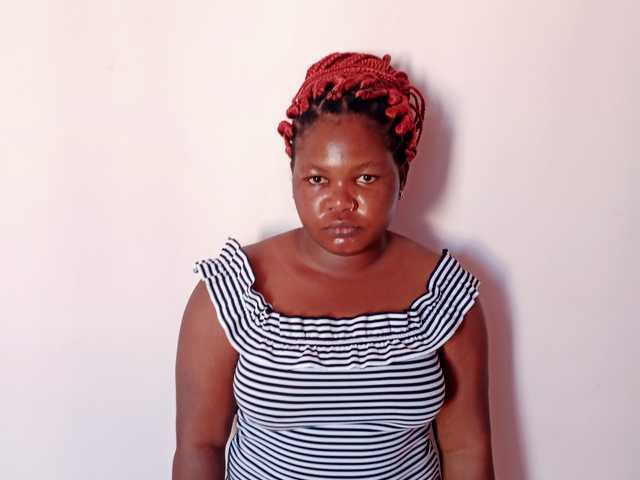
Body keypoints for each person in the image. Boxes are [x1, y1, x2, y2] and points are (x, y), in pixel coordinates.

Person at [173, 52, 495, 480]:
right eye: (317, 179)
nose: (341, 202)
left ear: (401, 174)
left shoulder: (445, 295)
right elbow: (199, 445)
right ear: (293, 176)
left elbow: (467, 447)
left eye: (365, 178)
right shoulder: (231, 291)